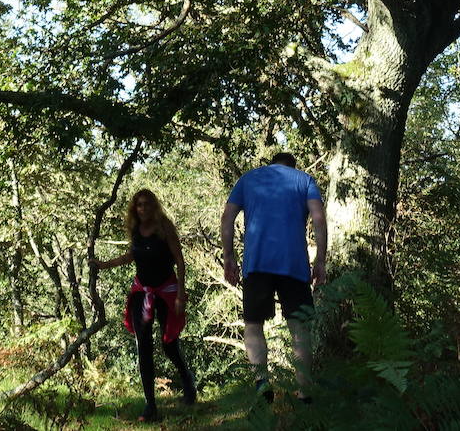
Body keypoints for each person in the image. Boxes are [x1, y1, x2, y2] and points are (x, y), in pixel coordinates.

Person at [221, 151, 327, 403]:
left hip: (257, 262)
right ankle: (304, 392)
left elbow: (227, 218)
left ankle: (262, 382)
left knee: (254, 324)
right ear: (293, 166)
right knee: (299, 327)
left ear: (271, 164)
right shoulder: (304, 180)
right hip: (294, 263)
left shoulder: (248, 179)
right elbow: (319, 218)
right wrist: (320, 259)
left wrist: (229, 257)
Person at [91, 188, 197, 421]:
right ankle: (151, 405)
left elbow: (179, 260)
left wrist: (180, 293)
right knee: (144, 348)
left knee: (169, 345)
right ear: (135, 208)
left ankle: (188, 383)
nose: (144, 208)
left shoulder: (164, 227)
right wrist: (103, 265)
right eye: (139, 205)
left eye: (148, 204)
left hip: (166, 291)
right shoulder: (136, 230)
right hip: (142, 293)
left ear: (154, 205)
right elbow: (131, 256)